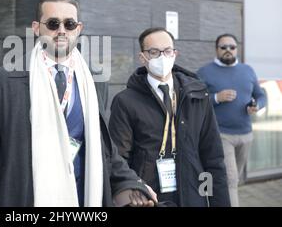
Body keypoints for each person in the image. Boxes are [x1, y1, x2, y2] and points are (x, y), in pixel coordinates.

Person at [0, 0, 157, 207]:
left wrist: (133, 183)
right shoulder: (6, 80)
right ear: (37, 28)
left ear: (79, 29)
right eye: (53, 24)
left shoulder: (94, 79)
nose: (62, 31)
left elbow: (104, 147)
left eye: (69, 24)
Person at [109, 27, 230, 207]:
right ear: (142, 58)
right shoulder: (125, 101)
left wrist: (219, 203)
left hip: (192, 194)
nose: (162, 57)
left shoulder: (197, 96)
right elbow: (118, 157)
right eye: (154, 52)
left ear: (174, 54)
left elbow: (212, 156)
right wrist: (133, 190)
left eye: (167, 51)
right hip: (149, 197)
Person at [197, 33, 266, 207]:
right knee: (230, 179)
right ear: (216, 49)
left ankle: (216, 199)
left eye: (232, 47)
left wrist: (257, 105)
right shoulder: (204, 72)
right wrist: (216, 98)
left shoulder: (247, 70)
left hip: (246, 135)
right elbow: (194, 100)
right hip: (221, 134)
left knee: (235, 179)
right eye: (223, 47)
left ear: (237, 49)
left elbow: (260, 94)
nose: (228, 50)